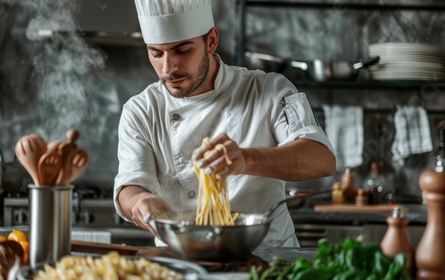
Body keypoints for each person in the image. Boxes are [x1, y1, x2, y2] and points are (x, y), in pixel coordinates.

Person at [113, 0, 336, 247]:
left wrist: (246, 159)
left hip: (267, 257)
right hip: (183, 258)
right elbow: (130, 185)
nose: (168, 69)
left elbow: (321, 159)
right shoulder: (141, 110)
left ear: (211, 41)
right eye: (156, 53)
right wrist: (139, 201)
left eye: (182, 51)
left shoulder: (267, 89)